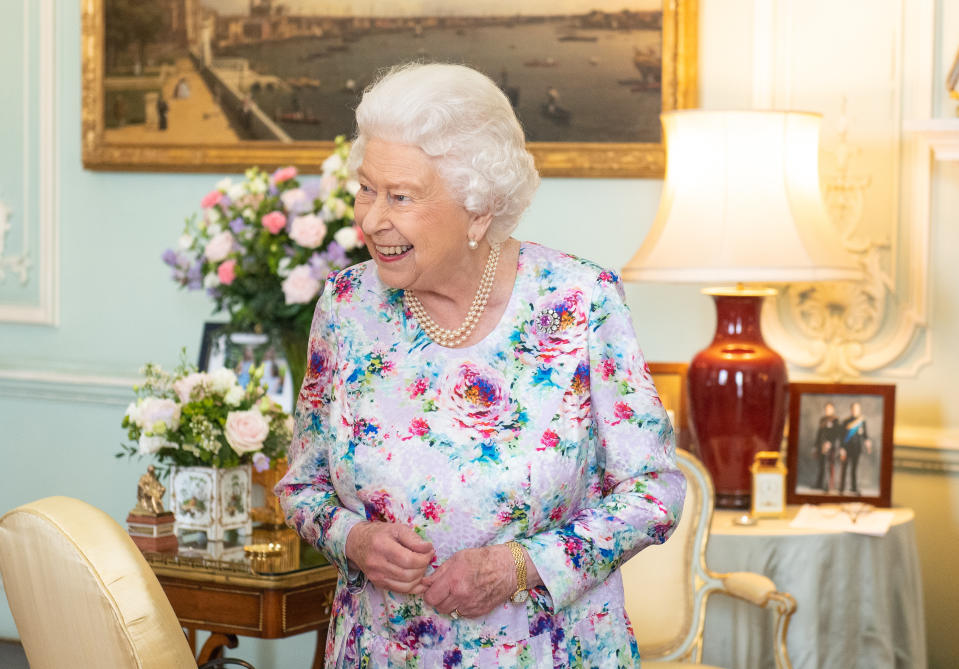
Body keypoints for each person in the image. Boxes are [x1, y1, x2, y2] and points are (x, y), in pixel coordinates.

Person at [275, 62, 685, 668]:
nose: (370, 220)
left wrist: (519, 566)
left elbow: (655, 492)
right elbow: (301, 487)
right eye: (367, 188)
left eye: (401, 197)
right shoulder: (346, 305)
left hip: (548, 651)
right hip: (381, 651)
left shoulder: (579, 300)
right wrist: (353, 539)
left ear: (479, 208)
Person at [839, 401, 872, 495]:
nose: (855, 410)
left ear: (859, 410)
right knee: (844, 468)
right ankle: (841, 488)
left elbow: (865, 434)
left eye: (857, 409)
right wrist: (842, 448)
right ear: (851, 410)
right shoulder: (846, 421)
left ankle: (853, 488)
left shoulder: (862, 421)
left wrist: (868, 442)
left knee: (854, 469)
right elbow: (842, 436)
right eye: (853, 409)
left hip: (857, 448)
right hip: (847, 448)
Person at [813, 402, 842, 491]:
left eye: (829, 409)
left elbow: (836, 434)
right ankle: (819, 484)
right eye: (826, 409)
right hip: (821, 446)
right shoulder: (822, 420)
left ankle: (829, 486)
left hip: (831, 446)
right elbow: (819, 433)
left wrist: (829, 443)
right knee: (821, 465)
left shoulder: (835, 420)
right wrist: (815, 446)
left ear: (833, 410)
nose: (827, 410)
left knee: (830, 465)